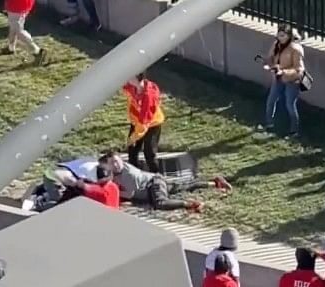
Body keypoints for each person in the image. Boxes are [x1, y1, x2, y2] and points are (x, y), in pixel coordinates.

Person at [100, 150, 232, 212]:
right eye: (112, 163)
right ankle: (215, 182)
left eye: (117, 161)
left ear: (121, 160)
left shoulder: (128, 175)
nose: (116, 165)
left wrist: (112, 190)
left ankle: (190, 204)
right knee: (183, 187)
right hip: (155, 180)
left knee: (161, 203)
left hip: (153, 185)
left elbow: (130, 195)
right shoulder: (118, 172)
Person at [257, 23, 305, 140]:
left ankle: (294, 131)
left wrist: (284, 72)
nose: (280, 38)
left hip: (292, 81)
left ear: (289, 36)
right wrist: (267, 63)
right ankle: (269, 123)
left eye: (283, 36)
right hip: (278, 79)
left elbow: (299, 70)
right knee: (271, 100)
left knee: (290, 104)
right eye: (279, 35)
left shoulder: (295, 49)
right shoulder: (276, 45)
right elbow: (271, 58)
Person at [123, 72, 165, 173]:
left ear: (137, 79)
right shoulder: (131, 86)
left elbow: (144, 122)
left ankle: (156, 176)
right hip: (137, 121)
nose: (127, 79)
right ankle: (134, 174)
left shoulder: (149, 96)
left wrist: (133, 138)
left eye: (130, 77)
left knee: (149, 153)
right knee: (132, 151)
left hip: (151, 124)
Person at [4, 0, 46, 65]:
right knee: (14, 26)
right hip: (22, 4)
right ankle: (11, 48)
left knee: (18, 30)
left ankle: (37, 51)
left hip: (17, 5)